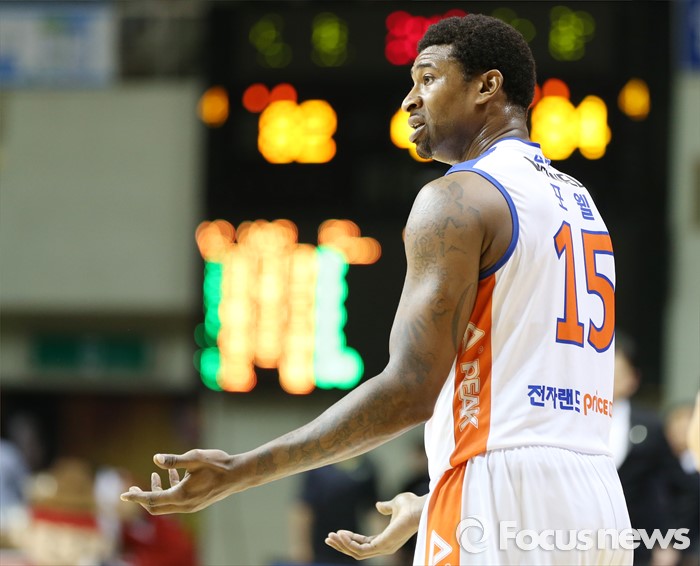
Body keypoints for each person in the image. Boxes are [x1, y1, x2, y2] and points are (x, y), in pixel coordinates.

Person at [121, 14, 630, 564]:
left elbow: (409, 391)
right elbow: (534, 413)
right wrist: (434, 504)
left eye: (427, 79)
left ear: (488, 86)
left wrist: (239, 470)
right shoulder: (579, 203)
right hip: (599, 503)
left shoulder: (458, 198)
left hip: (496, 494)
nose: (409, 100)